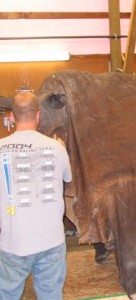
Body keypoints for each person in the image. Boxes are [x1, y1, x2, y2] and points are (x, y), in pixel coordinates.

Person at [0, 92, 72, 300]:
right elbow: (67, 178)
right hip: (51, 241)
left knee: (7, 295)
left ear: (12, 117)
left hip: (14, 242)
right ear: (38, 116)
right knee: (50, 294)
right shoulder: (57, 148)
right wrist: (62, 149)